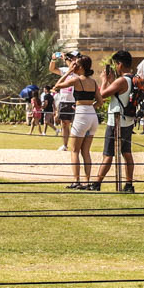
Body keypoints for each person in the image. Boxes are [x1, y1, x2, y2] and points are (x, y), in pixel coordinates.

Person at [92, 50, 139, 193]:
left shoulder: (121, 81)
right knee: (127, 153)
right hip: (128, 121)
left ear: (119, 64)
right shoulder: (135, 78)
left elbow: (102, 95)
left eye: (115, 64)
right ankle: (129, 184)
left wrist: (104, 80)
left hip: (116, 121)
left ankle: (97, 183)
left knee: (108, 154)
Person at [56, 54, 100, 189]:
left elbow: (57, 86)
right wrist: (89, 107)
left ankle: (76, 180)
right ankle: (87, 181)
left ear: (80, 67)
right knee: (85, 151)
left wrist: (68, 72)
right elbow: (100, 101)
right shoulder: (93, 82)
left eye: (76, 65)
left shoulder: (76, 80)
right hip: (92, 116)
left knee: (74, 150)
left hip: (81, 115)